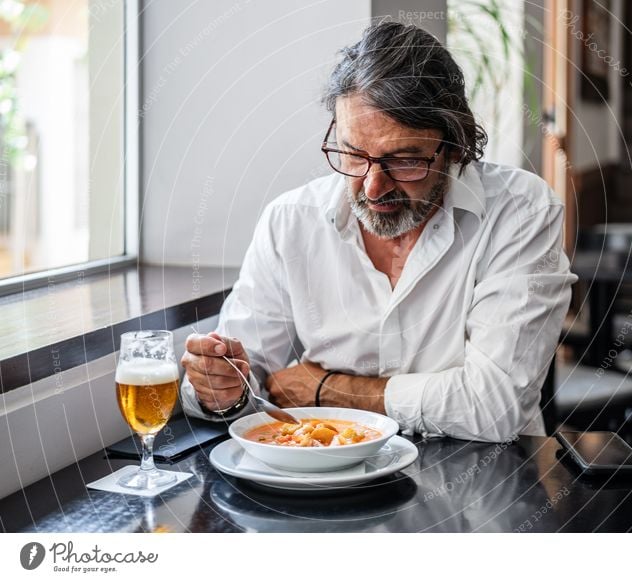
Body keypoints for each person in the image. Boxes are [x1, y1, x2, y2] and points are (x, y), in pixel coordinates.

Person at [180, 21, 577, 442]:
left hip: (484, 485)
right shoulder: (290, 221)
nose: (373, 186)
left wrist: (324, 388)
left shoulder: (519, 211)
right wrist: (222, 389)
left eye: (405, 160)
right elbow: (243, 379)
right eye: (352, 154)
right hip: (326, 481)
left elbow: (496, 408)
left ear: (456, 146)